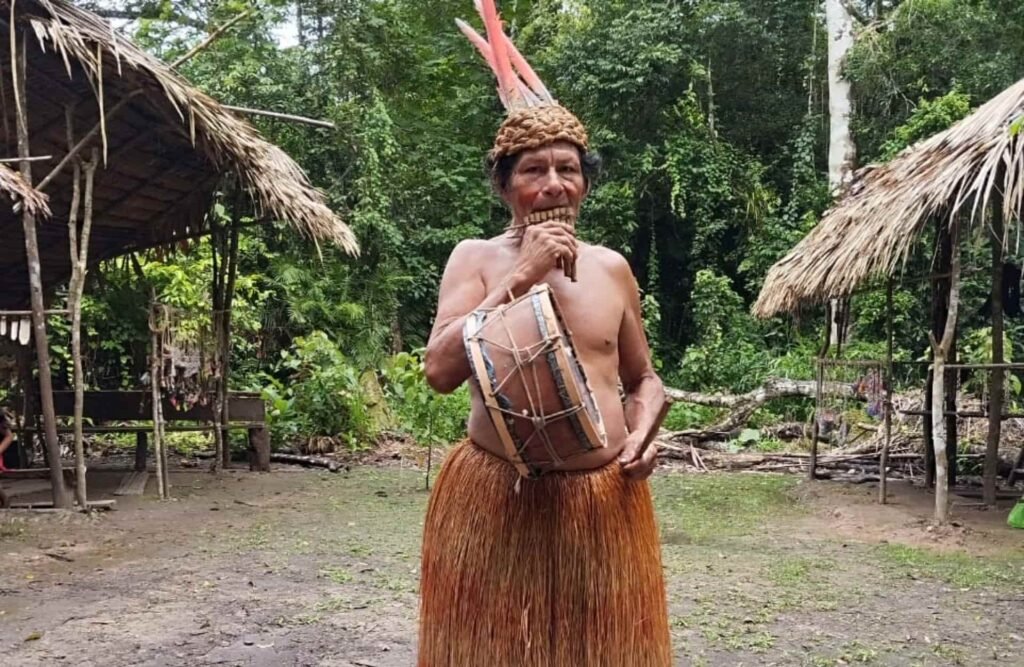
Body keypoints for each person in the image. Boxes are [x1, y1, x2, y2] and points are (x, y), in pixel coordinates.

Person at [416, 4, 672, 665]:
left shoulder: (613, 268)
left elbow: (643, 378)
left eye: (568, 167)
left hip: (602, 504)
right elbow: (440, 370)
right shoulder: (473, 258)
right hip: (500, 495)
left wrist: (646, 422)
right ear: (504, 183)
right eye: (533, 169)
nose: (554, 183)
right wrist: (521, 277)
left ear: (586, 181)